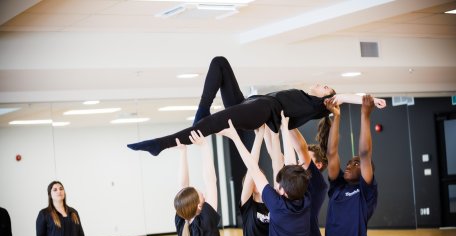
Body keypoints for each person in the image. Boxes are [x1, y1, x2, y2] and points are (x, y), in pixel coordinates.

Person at [127, 56, 386, 156]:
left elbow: (348, 97)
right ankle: (200, 114)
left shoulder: (316, 105)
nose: (322, 84)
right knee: (220, 63)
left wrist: (371, 99)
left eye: (327, 87)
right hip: (249, 103)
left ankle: (162, 144)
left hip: (263, 111)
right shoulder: (302, 95)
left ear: (326, 99)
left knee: (214, 122)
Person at [219, 118, 323, 236]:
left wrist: (236, 137)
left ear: (282, 190)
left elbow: (254, 167)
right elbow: (288, 165)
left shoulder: (277, 205)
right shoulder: (305, 199)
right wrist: (282, 127)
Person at [324, 95, 381, 236]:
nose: (349, 165)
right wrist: (336, 116)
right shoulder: (337, 188)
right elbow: (331, 153)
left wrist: (365, 115)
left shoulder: (366, 192)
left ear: (367, 171)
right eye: (348, 163)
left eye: (355, 164)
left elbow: (364, 153)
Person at [174, 130, 228, 236]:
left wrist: (183, 152)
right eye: (201, 195)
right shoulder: (206, 221)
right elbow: (211, 180)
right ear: (198, 205)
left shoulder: (182, 222)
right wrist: (205, 147)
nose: (203, 193)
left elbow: (183, 187)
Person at [288, 128, 328, 236]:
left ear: (317, 165)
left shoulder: (318, 183)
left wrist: (288, 124)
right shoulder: (297, 183)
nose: (299, 162)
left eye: (306, 160)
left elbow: (301, 149)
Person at [238, 125, 277, 236]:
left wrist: (269, 134)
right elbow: (251, 167)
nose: (256, 177)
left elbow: (279, 160)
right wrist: (259, 136)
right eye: (252, 177)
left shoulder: (276, 201)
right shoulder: (248, 206)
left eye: (259, 174)